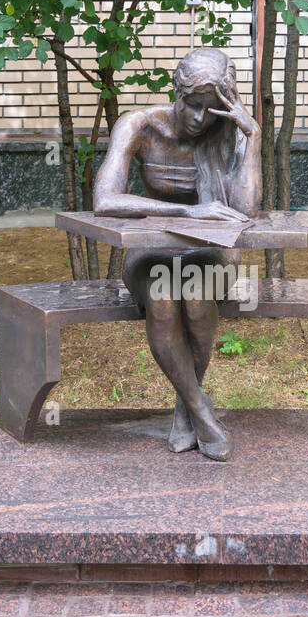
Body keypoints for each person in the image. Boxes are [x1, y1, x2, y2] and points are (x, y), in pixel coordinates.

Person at [93, 47, 261, 461]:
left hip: (210, 252)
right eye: (193, 105)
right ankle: (201, 410)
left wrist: (250, 137)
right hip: (151, 253)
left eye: (212, 110)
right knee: (165, 300)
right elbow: (105, 199)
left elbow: (244, 210)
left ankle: (185, 410)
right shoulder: (140, 125)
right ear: (177, 94)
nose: (200, 119)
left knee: (198, 299)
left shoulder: (229, 132)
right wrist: (187, 209)